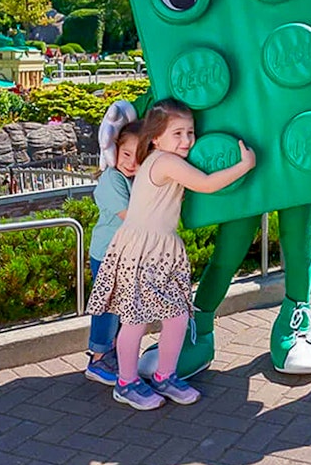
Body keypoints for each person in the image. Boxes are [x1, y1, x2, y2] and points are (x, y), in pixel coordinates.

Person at [86, 99, 256, 410]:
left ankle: (165, 375)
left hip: (161, 249)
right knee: (135, 320)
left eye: (190, 132)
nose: (187, 140)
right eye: (177, 133)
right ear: (155, 137)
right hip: (143, 250)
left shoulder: (160, 158)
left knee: (177, 317)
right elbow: (205, 184)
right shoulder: (164, 162)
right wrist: (244, 165)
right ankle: (125, 382)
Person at [84, 121, 141, 386]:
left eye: (139, 157)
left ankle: (114, 353)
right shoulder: (111, 179)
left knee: (121, 307)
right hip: (108, 255)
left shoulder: (132, 179)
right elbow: (130, 217)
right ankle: (97, 358)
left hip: (127, 256)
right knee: (107, 309)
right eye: (126, 153)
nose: (130, 162)